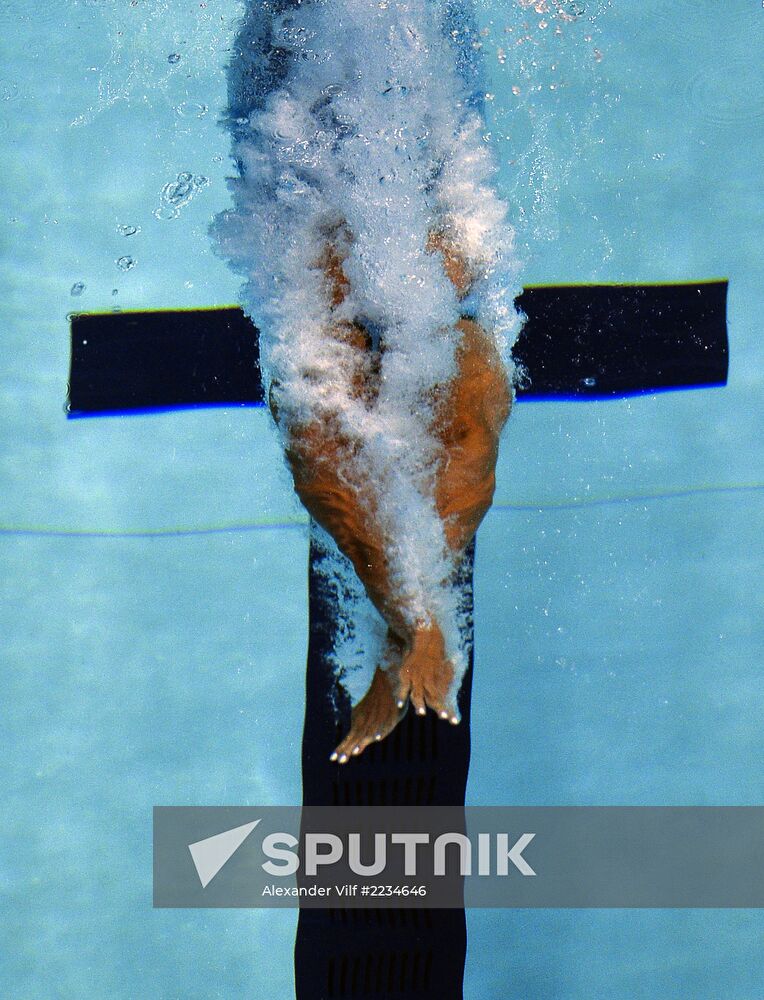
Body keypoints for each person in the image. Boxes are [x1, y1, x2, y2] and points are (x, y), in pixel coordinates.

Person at [270, 224, 511, 762]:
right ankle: (413, 623)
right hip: (431, 292)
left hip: (354, 288)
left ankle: (411, 623)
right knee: (461, 410)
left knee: (311, 403)